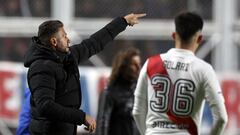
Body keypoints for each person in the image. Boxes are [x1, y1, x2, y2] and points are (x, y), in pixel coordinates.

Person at [23, 13, 146, 135]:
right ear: (54, 41)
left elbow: (94, 43)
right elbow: (45, 106)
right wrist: (81, 117)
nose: (68, 39)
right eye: (64, 36)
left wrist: (122, 22)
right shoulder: (40, 68)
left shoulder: (68, 57)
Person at [132, 12, 228, 135]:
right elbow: (221, 118)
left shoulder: (150, 64)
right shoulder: (204, 69)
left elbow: (137, 111)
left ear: (174, 35)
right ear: (199, 39)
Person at [96, 47, 141, 135]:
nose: (138, 67)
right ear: (123, 66)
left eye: (139, 64)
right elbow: (102, 125)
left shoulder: (139, 92)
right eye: (134, 64)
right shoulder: (109, 93)